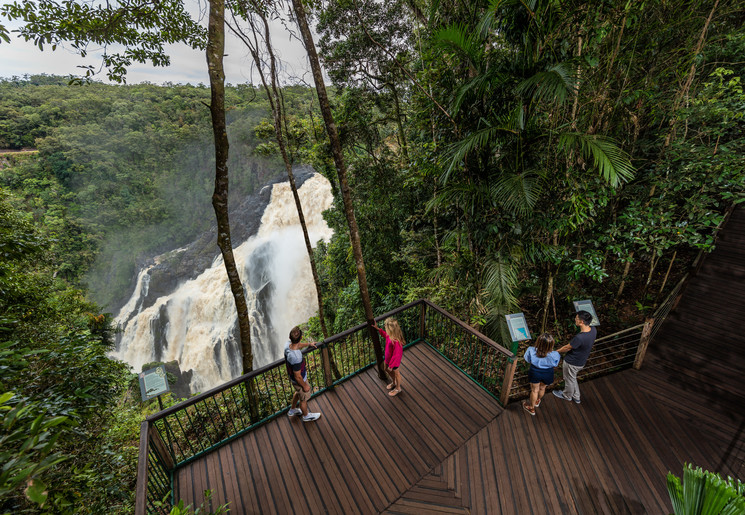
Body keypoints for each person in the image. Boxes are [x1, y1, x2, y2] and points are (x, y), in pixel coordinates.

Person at [553, 310, 597, 404]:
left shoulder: (580, 338)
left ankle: (567, 395)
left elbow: (567, 347)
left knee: (569, 379)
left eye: (576, 319)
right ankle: (576, 397)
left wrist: (555, 352)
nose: (575, 320)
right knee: (572, 378)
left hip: (572, 362)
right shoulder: (593, 330)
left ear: (581, 322)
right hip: (581, 361)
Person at [285, 326, 321, 422]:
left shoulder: (287, 345)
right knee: (303, 399)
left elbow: (298, 345)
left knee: (298, 393)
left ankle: (292, 410)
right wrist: (304, 385)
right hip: (299, 380)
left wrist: (309, 344)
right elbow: (298, 376)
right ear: (301, 338)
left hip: (292, 378)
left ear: (290, 337)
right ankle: (306, 416)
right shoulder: (296, 357)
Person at [522, 333, 560, 416]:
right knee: (542, 388)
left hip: (535, 371)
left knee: (534, 390)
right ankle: (537, 400)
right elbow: (556, 364)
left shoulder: (531, 350)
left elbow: (528, 360)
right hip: (548, 373)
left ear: (538, 342)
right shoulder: (555, 354)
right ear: (551, 345)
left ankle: (531, 408)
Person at [372, 318, 405, 397]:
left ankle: (398, 388)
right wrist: (378, 329)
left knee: (397, 373)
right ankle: (394, 382)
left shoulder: (396, 341)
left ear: (390, 329)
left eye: (386, 326)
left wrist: (391, 365)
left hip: (394, 362)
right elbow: (385, 334)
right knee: (385, 368)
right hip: (388, 359)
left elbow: (397, 355)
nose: (385, 327)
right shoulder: (390, 335)